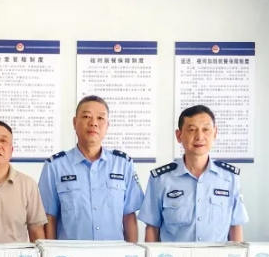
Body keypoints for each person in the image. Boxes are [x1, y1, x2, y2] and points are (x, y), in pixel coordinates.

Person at [38, 95, 144, 242]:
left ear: (107, 126)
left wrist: (132, 253)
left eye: (100, 118)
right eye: (87, 116)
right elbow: (50, 218)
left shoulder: (123, 165)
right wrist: (51, 251)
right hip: (70, 253)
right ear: (75, 123)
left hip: (113, 253)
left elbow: (129, 216)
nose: (93, 123)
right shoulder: (55, 166)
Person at [138, 105, 248, 242]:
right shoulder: (161, 179)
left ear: (215, 133)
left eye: (206, 129)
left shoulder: (229, 178)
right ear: (179, 135)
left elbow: (235, 227)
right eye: (192, 130)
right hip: (173, 256)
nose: (199, 136)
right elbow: (152, 228)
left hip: (217, 255)